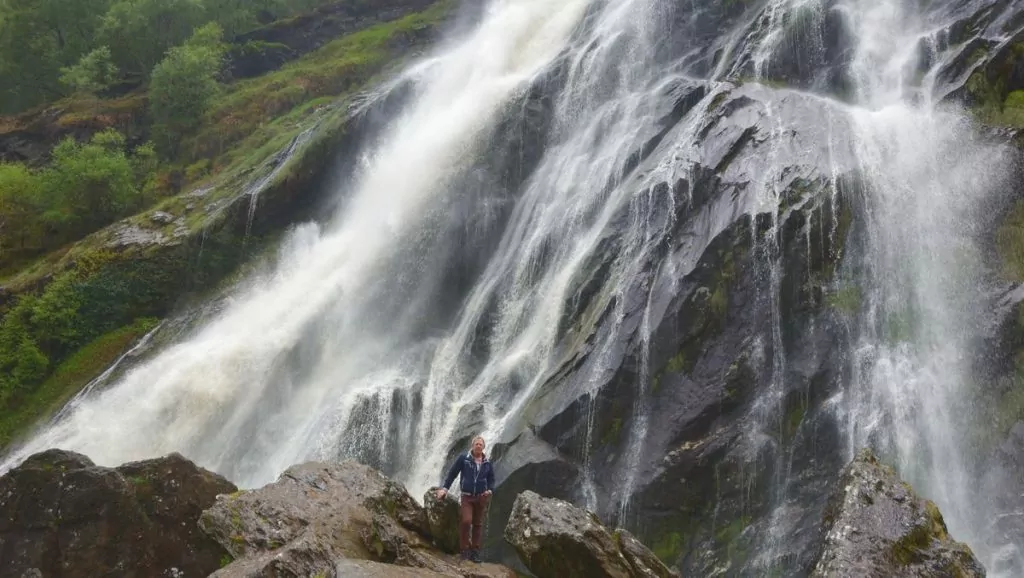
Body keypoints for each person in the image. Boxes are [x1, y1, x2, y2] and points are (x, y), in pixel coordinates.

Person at [436, 435, 495, 563]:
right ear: (472, 446)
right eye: (476, 444)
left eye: (480, 444)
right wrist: (445, 489)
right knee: (466, 521)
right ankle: (464, 550)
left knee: (478, 524)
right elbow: (452, 473)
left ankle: (475, 552)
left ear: (484, 447)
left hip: (480, 497)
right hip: (467, 496)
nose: (478, 446)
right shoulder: (464, 459)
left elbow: (491, 479)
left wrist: (490, 490)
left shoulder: (487, 463)